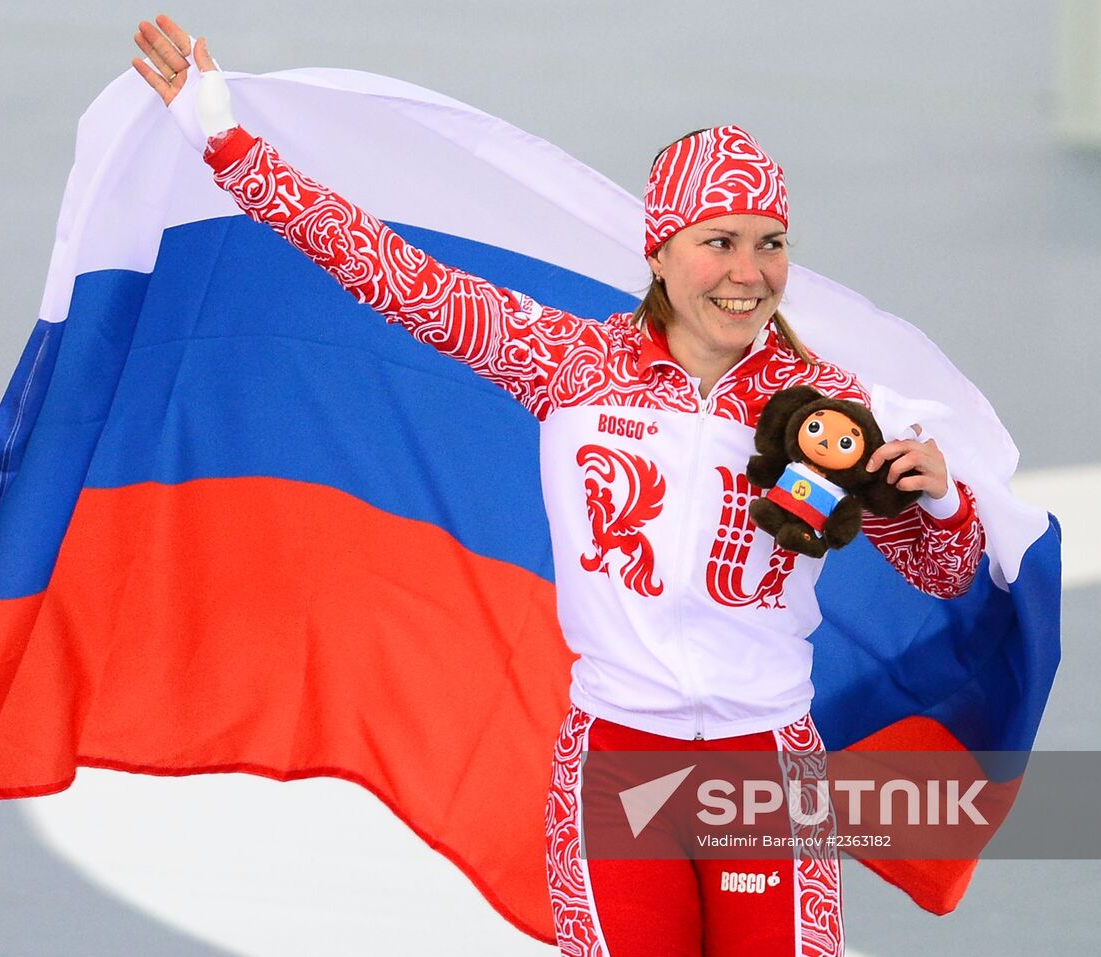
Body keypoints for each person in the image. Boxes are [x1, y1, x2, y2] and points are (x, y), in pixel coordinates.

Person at [130, 16, 985, 957]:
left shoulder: (824, 407)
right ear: (658, 251)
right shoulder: (569, 362)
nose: (749, 274)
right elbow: (389, 272)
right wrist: (227, 142)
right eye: (720, 241)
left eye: (771, 242)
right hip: (619, 766)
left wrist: (942, 499)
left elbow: (942, 570)